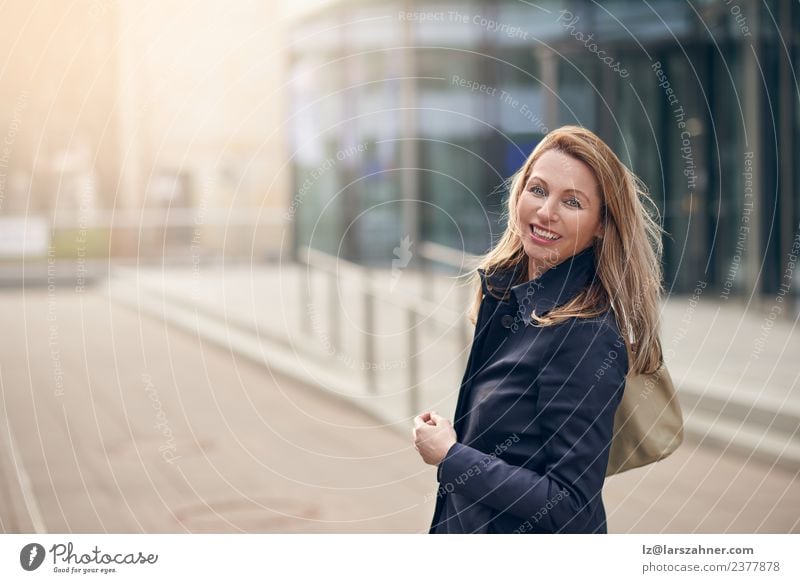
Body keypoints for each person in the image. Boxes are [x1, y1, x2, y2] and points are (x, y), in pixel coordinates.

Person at [413, 125, 665, 534]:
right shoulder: (508, 298)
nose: (546, 211)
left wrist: (450, 455)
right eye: (537, 190)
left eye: (572, 201)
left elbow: (571, 507)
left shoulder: (585, 336)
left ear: (602, 224)